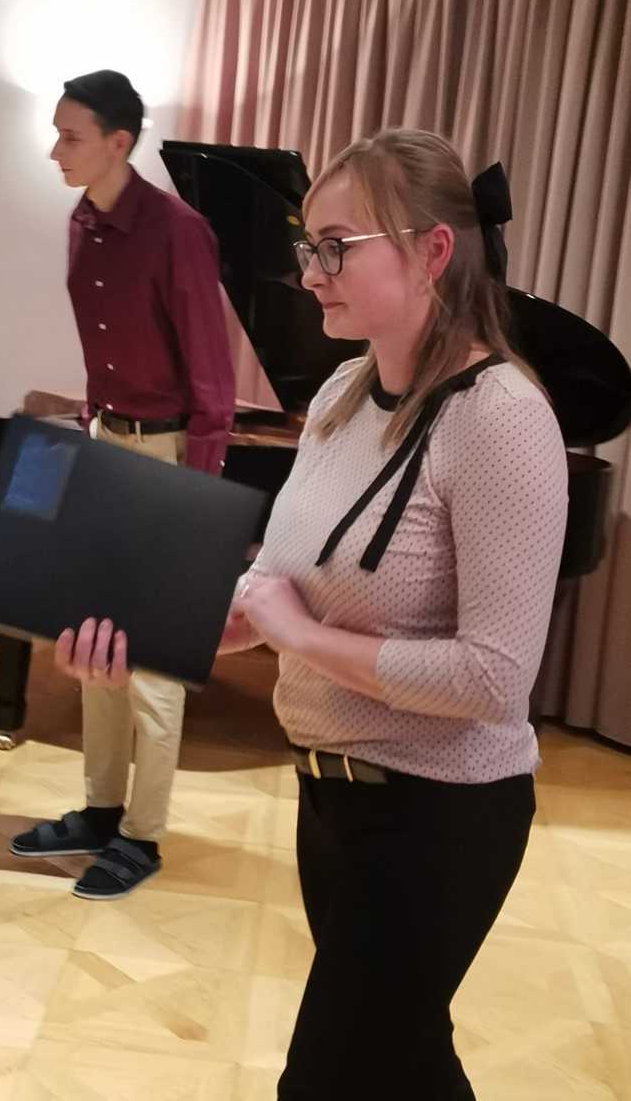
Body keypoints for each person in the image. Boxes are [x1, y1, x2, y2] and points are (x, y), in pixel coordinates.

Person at [56, 128, 569, 1096]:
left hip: (438, 817)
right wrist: (151, 638)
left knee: (327, 1078)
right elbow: (275, 596)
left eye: (336, 247)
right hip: (329, 797)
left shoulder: (501, 417)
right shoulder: (340, 393)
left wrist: (299, 634)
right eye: (308, 247)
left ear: (432, 251)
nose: (308, 274)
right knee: (408, 1065)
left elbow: (494, 680)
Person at [10, 69, 235, 900]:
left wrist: (198, 500)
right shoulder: (81, 222)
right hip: (106, 444)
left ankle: (143, 835)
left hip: (168, 456)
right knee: (93, 640)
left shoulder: (178, 231)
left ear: (119, 143)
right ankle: (101, 809)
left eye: (69, 136)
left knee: (153, 661)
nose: (55, 150)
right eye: (56, 133)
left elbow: (212, 375)